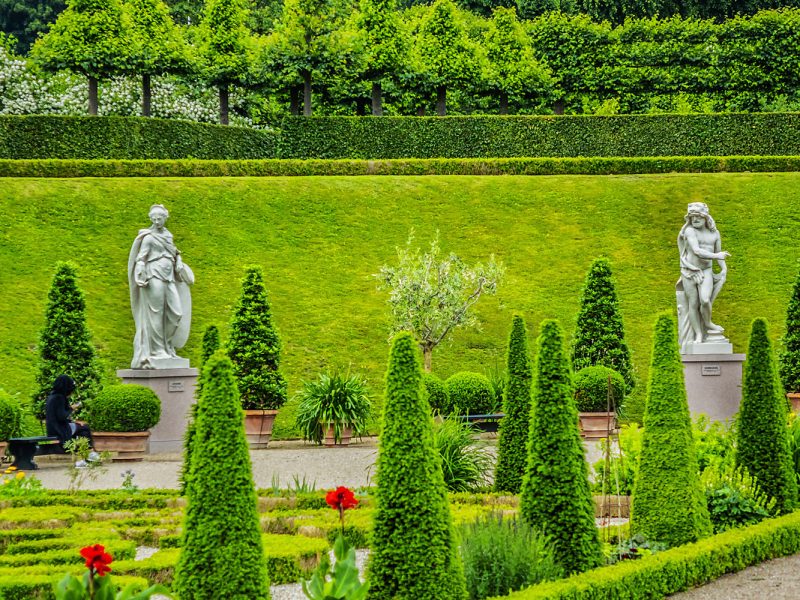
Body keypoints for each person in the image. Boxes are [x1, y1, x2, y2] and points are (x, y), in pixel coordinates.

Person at [128, 204, 194, 369]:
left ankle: (167, 346)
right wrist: (140, 271)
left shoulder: (168, 236)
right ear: (151, 219)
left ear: (166, 218)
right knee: (156, 313)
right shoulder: (149, 237)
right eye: (154, 218)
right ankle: (157, 351)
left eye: (160, 218)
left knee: (176, 313)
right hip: (153, 275)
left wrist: (178, 262)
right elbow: (141, 258)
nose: (157, 221)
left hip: (169, 277)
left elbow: (175, 253)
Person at [676, 202, 731, 346]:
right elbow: (697, 251)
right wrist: (718, 256)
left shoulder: (714, 233)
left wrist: (723, 269)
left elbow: (718, 253)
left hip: (706, 270)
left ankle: (708, 323)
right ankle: (698, 334)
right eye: (692, 217)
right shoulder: (690, 231)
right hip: (689, 271)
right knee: (692, 304)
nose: (695, 220)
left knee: (705, 300)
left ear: (706, 217)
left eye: (698, 216)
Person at [45, 375, 99, 468]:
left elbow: (58, 416)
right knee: (85, 428)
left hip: (53, 428)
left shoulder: (52, 396)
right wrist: (72, 408)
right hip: (59, 429)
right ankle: (89, 455)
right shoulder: (59, 398)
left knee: (81, 430)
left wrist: (74, 422)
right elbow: (62, 416)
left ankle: (84, 458)